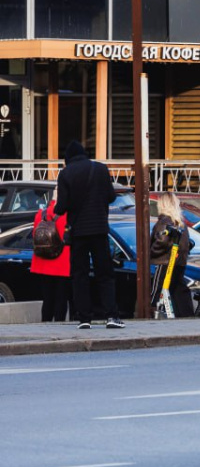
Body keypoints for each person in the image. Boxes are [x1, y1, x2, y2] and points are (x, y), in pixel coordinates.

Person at [54, 140, 120, 329]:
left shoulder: (66, 174)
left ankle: (84, 318)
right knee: (105, 274)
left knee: (79, 275)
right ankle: (111, 316)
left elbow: (62, 206)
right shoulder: (100, 169)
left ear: (68, 158)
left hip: (78, 233)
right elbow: (111, 197)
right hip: (99, 230)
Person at [149, 192, 195, 318]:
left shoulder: (164, 221)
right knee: (178, 289)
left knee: (157, 290)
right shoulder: (180, 222)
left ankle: (151, 314)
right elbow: (187, 244)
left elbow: (161, 241)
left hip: (164, 262)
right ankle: (187, 316)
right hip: (179, 262)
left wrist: (151, 252)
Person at [31, 190, 70, 322]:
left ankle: (45, 323)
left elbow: (34, 235)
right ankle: (59, 325)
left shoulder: (40, 214)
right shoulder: (67, 214)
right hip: (62, 262)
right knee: (61, 298)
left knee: (47, 298)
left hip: (43, 261)